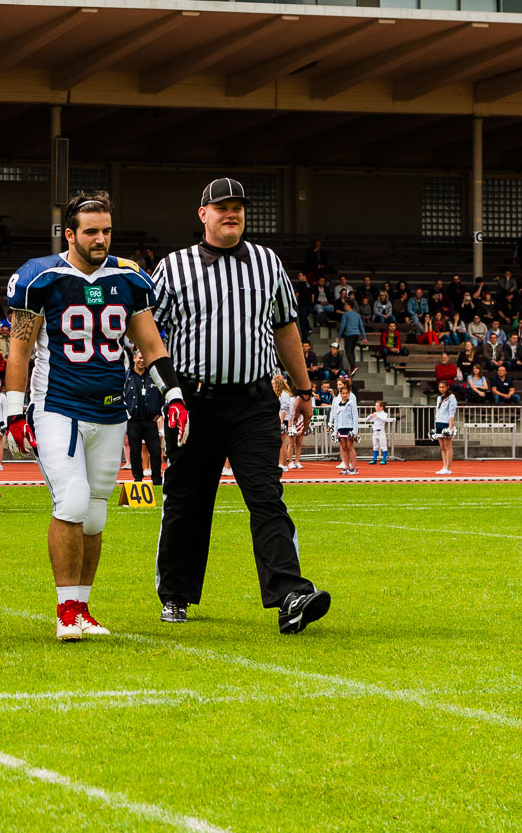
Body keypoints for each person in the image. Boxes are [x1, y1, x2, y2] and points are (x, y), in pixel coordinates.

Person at [4, 192, 186, 641]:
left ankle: (82, 608)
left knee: (96, 514)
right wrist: (13, 409)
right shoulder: (40, 276)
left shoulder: (129, 279)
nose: (101, 238)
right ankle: (66, 610)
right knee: (71, 499)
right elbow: (20, 348)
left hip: (110, 409)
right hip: (57, 406)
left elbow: (151, 344)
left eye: (106, 230)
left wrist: (175, 394)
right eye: (91, 231)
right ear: (69, 234)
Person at [150, 178, 328, 635]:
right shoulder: (174, 268)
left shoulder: (268, 263)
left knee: (267, 497)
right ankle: (175, 592)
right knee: (188, 500)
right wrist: (164, 391)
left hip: (253, 401)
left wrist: (304, 391)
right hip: (194, 401)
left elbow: (286, 328)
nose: (231, 213)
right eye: (221, 206)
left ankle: (290, 593)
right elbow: (148, 331)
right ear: (202, 214)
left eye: (238, 207)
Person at [125, 350, 166, 486]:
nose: (142, 361)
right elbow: (121, 397)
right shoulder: (127, 376)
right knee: (135, 452)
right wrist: (127, 414)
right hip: (133, 422)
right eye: (140, 358)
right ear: (135, 358)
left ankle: (156, 479)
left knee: (155, 451)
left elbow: (162, 396)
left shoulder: (153, 376)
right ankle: (137, 479)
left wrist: (159, 414)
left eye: (144, 358)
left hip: (150, 421)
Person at [327, 379, 358, 475]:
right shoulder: (338, 404)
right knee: (344, 447)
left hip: (349, 428)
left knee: (350, 446)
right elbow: (336, 417)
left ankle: (354, 467)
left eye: (346, 393)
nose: (344, 395)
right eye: (343, 393)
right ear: (340, 394)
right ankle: (346, 466)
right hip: (341, 428)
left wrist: (355, 430)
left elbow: (355, 417)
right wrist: (335, 430)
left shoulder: (351, 404)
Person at [433, 381, 457, 475]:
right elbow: (437, 412)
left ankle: (448, 467)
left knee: (447, 446)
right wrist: (435, 425)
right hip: (439, 422)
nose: (441, 389)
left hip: (446, 423)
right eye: (440, 387)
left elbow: (452, 412)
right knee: (442, 447)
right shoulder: (439, 398)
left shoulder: (451, 398)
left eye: (443, 387)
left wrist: (450, 426)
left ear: (447, 387)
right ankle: (444, 466)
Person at [336, 298, 364, 374]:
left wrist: (339, 336)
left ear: (348, 305)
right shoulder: (357, 315)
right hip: (356, 334)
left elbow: (342, 326)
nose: (344, 307)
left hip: (349, 334)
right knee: (352, 351)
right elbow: (361, 326)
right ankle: (352, 368)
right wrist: (364, 337)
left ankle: (353, 366)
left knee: (348, 351)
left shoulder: (345, 314)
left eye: (345, 305)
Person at [367, 400, 394, 465]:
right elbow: (367, 419)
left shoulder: (384, 414)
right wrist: (371, 415)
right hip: (375, 431)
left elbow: (384, 419)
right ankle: (374, 459)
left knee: (383, 446)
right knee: (375, 446)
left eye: (377, 406)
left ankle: (384, 459)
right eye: (375, 406)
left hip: (381, 431)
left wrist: (377, 416)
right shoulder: (375, 413)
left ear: (381, 407)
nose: (375, 407)